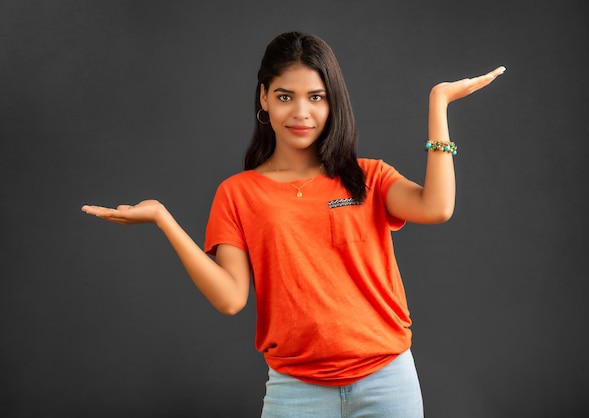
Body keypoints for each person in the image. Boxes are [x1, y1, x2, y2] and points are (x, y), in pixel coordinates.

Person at [82, 31, 505, 417]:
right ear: (263, 97)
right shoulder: (238, 193)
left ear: (332, 101)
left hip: (387, 383)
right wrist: (162, 218)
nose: (301, 112)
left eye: (316, 97)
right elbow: (231, 298)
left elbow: (437, 207)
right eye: (285, 97)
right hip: (295, 392)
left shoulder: (367, 176)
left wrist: (438, 103)